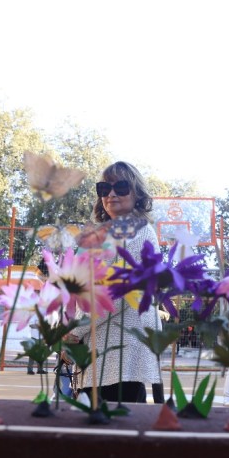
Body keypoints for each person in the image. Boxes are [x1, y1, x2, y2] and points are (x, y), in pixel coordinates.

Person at [69, 161, 161, 403]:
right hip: (101, 348)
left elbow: (120, 293)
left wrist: (74, 331)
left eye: (120, 188)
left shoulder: (139, 232)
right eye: (103, 189)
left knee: (115, 431)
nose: (110, 194)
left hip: (122, 351)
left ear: (137, 193)